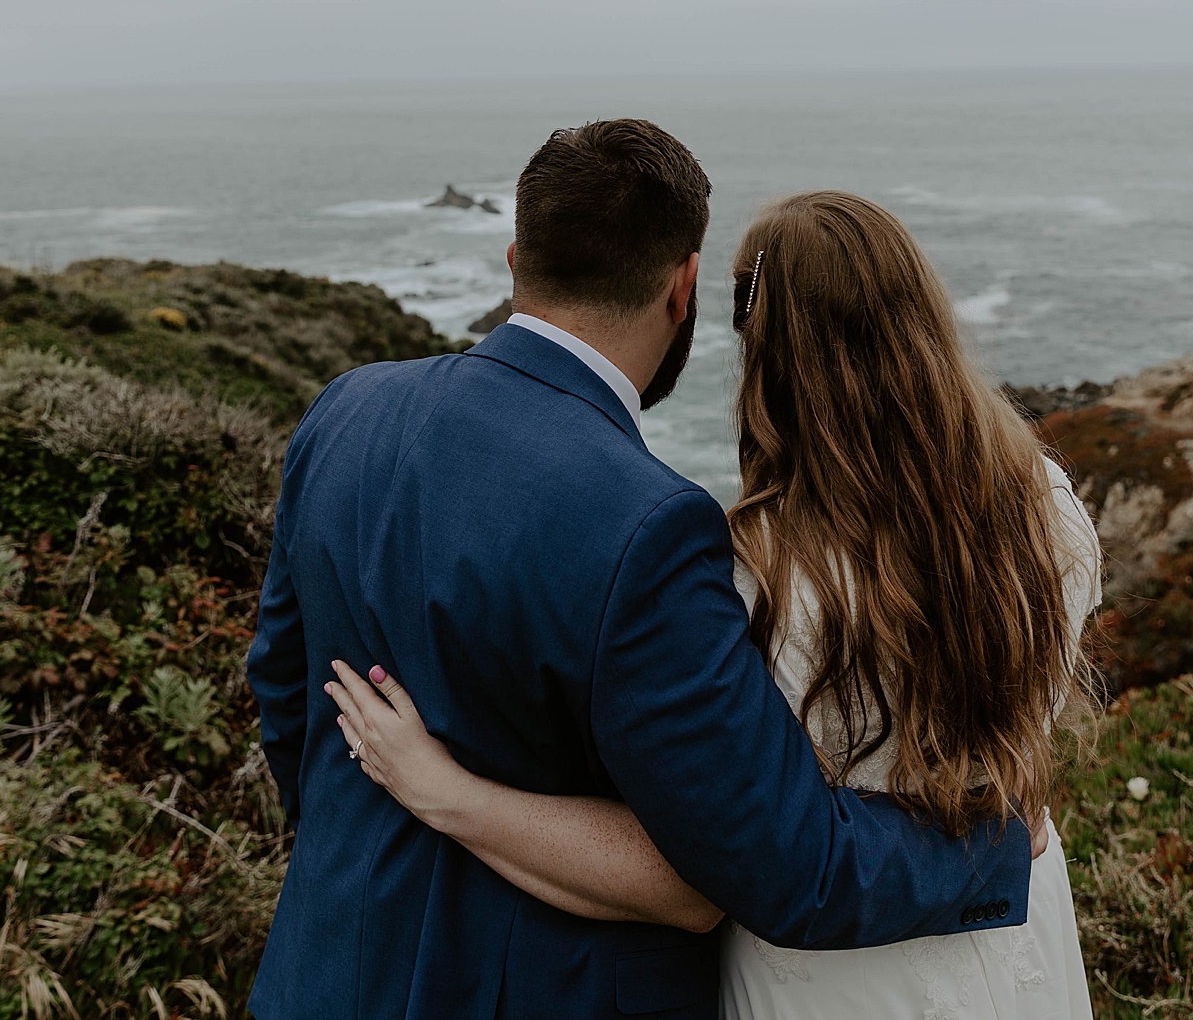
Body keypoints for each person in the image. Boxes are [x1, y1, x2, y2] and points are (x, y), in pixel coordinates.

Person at [247, 126, 1036, 1020]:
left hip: (322, 972)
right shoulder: (649, 524)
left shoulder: (343, 411)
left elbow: (286, 692)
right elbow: (781, 865)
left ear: (517, 260)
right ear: (683, 286)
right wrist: (996, 846)